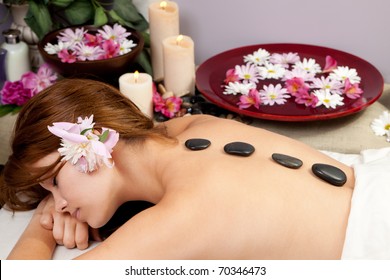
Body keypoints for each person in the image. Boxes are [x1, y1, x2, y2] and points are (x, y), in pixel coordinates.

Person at [0, 78, 373, 259]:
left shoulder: (182, 216)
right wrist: (65, 193)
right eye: (51, 195)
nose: (60, 203)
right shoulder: (189, 127)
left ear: (95, 139)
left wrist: (41, 224)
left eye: (54, 181)